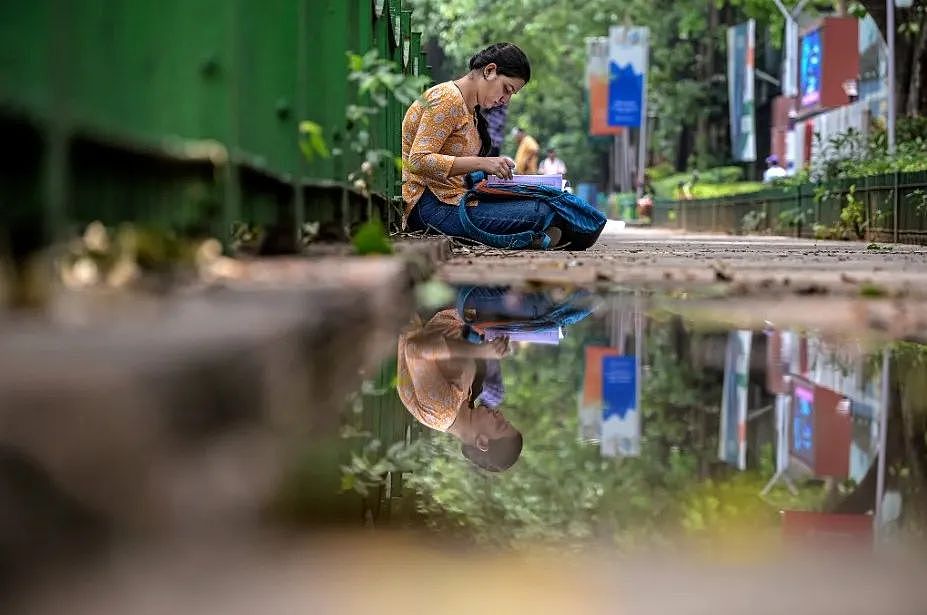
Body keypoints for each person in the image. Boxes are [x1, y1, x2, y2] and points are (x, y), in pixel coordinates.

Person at [401, 42, 562, 249]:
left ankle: (538, 235)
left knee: (549, 204)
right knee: (542, 211)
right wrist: (482, 163)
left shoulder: (472, 111)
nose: (505, 100)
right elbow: (418, 161)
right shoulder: (447, 99)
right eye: (506, 89)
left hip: (455, 199)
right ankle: (535, 236)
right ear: (489, 71)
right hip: (429, 205)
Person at [397, 308, 522, 472]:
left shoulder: (442, 411)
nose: (499, 414)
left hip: (419, 307)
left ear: (482, 442)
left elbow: (415, 350)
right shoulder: (465, 402)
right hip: (455, 311)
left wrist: (481, 351)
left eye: (500, 425)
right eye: (505, 421)